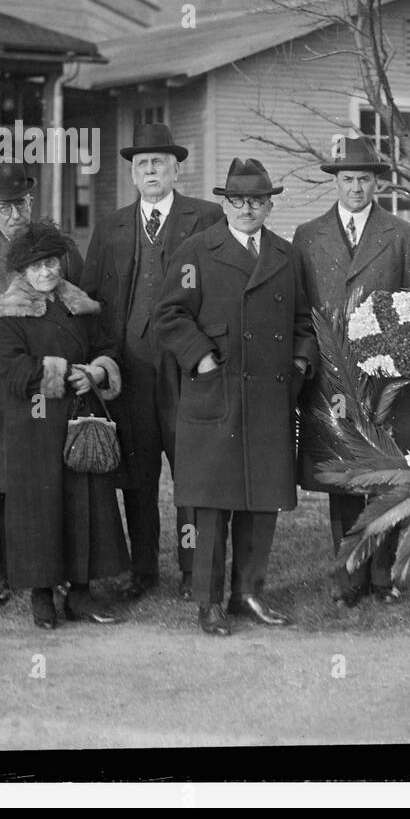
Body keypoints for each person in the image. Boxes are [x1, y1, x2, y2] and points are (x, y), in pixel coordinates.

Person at [156, 158, 316, 637]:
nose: (248, 209)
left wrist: (302, 362)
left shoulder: (286, 257)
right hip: (216, 394)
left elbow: (305, 323)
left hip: (269, 399)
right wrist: (200, 356)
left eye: (258, 201)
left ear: (270, 205)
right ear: (226, 204)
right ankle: (208, 602)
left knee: (260, 502)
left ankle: (248, 593)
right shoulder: (197, 251)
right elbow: (169, 316)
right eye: (239, 201)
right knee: (211, 506)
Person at [82, 123, 224, 602]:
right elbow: (94, 301)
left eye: (159, 162)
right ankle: (143, 571)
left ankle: (192, 569)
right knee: (137, 478)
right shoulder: (111, 228)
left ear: (175, 168)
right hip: (132, 374)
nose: (150, 170)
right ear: (132, 174)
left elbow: (220, 293)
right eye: (142, 164)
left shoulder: (206, 218)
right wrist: (103, 361)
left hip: (186, 372)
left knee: (192, 472)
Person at [292, 136, 410, 606]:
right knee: (344, 480)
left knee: (389, 477)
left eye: (364, 179)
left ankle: (383, 576)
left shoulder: (401, 235)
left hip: (388, 380)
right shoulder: (308, 236)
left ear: (377, 183)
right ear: (336, 182)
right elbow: (300, 309)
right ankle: (350, 578)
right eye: (347, 179)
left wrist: (402, 364)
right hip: (331, 381)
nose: (356, 188)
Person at [0, 220, 128, 630]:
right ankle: (42, 594)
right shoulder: (8, 310)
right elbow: (11, 368)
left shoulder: (80, 305)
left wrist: (98, 373)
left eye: (52, 263)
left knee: (84, 505)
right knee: (41, 508)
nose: (47, 272)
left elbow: (107, 348)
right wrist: (64, 370)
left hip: (80, 420)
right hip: (34, 426)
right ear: (22, 271)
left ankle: (82, 594)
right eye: (37, 266)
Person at [0, 161, 82, 607]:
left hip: (49, 382)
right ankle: (2, 572)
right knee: (1, 480)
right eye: (6, 207)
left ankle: (54, 569)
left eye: (23, 203)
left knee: (48, 476)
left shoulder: (57, 249)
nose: (16, 214)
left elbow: (78, 311)